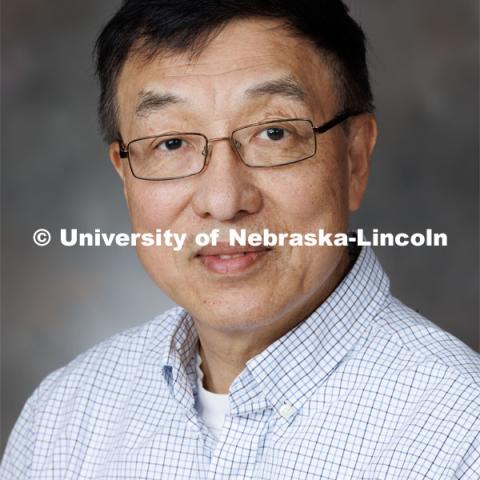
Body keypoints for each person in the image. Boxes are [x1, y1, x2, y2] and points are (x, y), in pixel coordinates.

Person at [2, 1, 479, 478]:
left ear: (355, 158)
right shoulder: (63, 420)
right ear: (124, 177)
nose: (224, 200)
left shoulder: (461, 433)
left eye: (273, 132)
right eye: (171, 143)